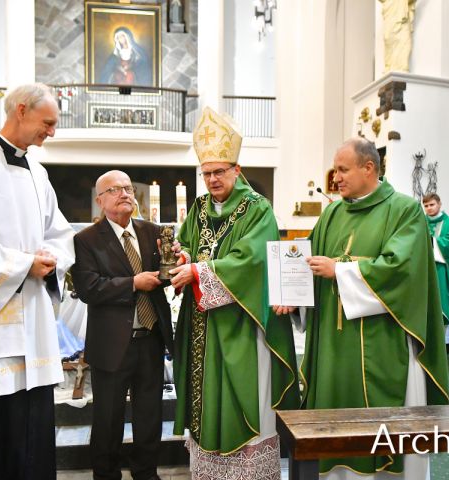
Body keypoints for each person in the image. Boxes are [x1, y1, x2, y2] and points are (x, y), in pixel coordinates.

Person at [276, 137, 449, 479]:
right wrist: (295, 297)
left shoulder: (404, 210)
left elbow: (401, 269)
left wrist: (340, 269)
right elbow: (313, 267)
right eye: (335, 170)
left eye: (342, 170)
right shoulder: (332, 214)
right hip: (332, 350)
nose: (335, 178)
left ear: (369, 168)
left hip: (383, 345)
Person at [169, 107, 299, 479]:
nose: (211, 180)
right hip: (202, 325)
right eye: (206, 173)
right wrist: (184, 256)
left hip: (243, 324)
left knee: (244, 400)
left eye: (219, 172)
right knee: (204, 401)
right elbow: (189, 245)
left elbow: (252, 260)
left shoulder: (257, 210)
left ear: (237, 170)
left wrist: (197, 270)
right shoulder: (197, 208)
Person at [0, 83, 75, 480]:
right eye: (47, 123)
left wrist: (51, 261)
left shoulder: (39, 172)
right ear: (21, 110)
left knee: (33, 423)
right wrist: (20, 265)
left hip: (32, 319)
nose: (51, 132)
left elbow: (61, 233)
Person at [71, 170, 174, 480]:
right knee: (108, 419)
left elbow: (163, 276)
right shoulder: (86, 239)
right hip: (112, 343)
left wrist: (175, 264)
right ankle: (106, 475)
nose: (125, 193)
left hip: (150, 338)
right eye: (115, 190)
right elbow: (89, 288)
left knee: (149, 416)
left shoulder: (151, 231)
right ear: (100, 200)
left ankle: (146, 473)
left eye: (128, 188)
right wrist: (132, 283)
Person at [423, 193, 449, 345]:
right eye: (426, 206)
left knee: (443, 303)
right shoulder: (420, 222)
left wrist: (432, 241)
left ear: (439, 204)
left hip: (443, 271)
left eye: (432, 205)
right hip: (424, 271)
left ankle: (444, 342)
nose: (429, 208)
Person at [378, 0, 416, 72]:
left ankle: (403, 67)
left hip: (403, 19)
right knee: (390, 41)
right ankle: (389, 66)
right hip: (391, 16)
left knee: (406, 42)